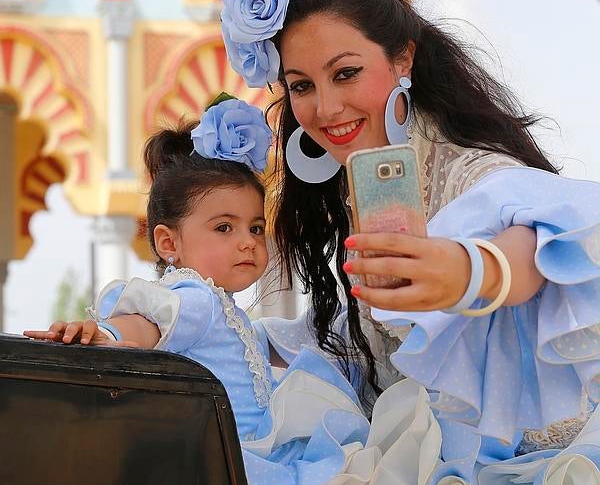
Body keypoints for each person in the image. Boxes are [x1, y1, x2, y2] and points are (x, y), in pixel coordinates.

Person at [219, 0, 600, 483]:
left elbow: (539, 238)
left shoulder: (467, 169)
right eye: (302, 85)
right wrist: (222, 332)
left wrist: (470, 270)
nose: (326, 108)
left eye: (345, 73)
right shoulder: (360, 184)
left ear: (404, 59)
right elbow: (370, 338)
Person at [25, 96, 410, 485]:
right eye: (224, 227)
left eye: (255, 228)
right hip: (237, 455)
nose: (248, 242)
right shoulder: (197, 299)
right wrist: (106, 336)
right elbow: (149, 323)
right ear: (169, 242)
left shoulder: (221, 308)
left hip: (243, 449)